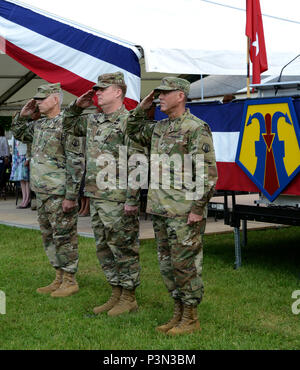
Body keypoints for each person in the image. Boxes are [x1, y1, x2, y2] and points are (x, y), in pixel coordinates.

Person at [126, 77, 218, 335]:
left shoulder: (196, 128)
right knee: (167, 265)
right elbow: (130, 129)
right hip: (160, 210)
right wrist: (142, 107)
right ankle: (177, 312)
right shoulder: (158, 127)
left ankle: (190, 317)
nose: (159, 98)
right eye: (158, 95)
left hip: (183, 212)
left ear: (180, 95)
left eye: (165, 93)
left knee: (185, 265)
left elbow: (207, 174)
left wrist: (197, 209)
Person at [62, 72, 143, 317]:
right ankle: (116, 293)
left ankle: (129, 297)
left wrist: (132, 198)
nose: (96, 93)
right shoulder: (93, 121)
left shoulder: (130, 121)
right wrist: (77, 106)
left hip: (118, 198)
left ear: (118, 92)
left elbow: (137, 162)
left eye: (102, 90)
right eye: (96, 90)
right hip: (97, 196)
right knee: (104, 248)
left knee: (123, 247)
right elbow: (66, 124)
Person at [11, 83, 85, 298]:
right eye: (37, 99)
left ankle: (70, 279)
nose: (38, 102)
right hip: (41, 192)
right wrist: (23, 115)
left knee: (64, 237)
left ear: (55, 99)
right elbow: (19, 133)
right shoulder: (40, 125)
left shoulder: (67, 124)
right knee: (48, 237)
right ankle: (58, 276)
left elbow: (76, 161)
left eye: (42, 98)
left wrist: (71, 196)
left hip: (59, 193)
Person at [10, 136, 31, 208]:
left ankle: (27, 200)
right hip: (17, 157)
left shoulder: (24, 132)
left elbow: (28, 145)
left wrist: (28, 159)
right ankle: (24, 199)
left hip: (24, 157)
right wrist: (13, 160)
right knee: (21, 180)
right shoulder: (14, 135)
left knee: (26, 179)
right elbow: (13, 148)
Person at [0, 126, 10, 196]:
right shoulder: (3, 139)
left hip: (2, 159)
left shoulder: (3, 139)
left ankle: (2, 188)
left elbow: (6, 149)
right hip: (2, 159)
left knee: (2, 174)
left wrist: (6, 157)